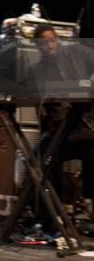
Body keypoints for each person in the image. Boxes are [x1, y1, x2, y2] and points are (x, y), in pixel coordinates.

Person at [32, 25, 94, 206]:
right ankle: (54, 214)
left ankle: (90, 206)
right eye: (44, 43)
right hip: (56, 133)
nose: (50, 46)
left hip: (81, 128)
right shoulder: (37, 70)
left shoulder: (75, 52)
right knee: (38, 160)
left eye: (53, 40)